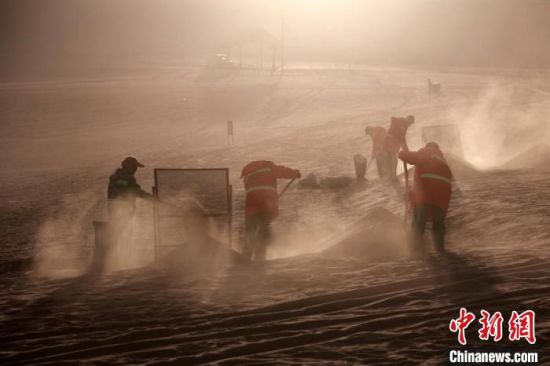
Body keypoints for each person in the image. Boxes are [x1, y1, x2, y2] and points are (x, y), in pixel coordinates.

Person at [398, 142, 453, 252]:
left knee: (418, 223)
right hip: (442, 196)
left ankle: (415, 251)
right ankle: (440, 250)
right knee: (438, 225)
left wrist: (402, 153)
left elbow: (410, 157)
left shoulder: (427, 151)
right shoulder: (442, 159)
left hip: (426, 193)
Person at [241, 160, 301, 262]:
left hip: (251, 206)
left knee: (250, 232)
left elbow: (252, 189)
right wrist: (295, 173)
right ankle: (259, 258)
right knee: (263, 231)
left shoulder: (248, 174)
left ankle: (246, 257)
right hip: (265, 204)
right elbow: (281, 172)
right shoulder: (268, 166)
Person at [107, 156, 153, 248]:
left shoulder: (118, 176)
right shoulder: (125, 177)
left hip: (118, 211)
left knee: (120, 234)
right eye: (134, 167)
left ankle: (118, 254)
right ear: (129, 167)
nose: (135, 169)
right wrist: (151, 198)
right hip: (121, 211)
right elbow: (133, 191)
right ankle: (117, 255)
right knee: (122, 235)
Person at [385, 115, 415, 181]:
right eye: (410, 122)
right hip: (390, 145)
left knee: (394, 161)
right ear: (408, 119)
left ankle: (392, 177)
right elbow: (397, 135)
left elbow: (402, 138)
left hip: (395, 146)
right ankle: (391, 177)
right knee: (392, 161)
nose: (410, 124)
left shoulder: (404, 126)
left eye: (411, 123)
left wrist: (406, 150)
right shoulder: (400, 122)